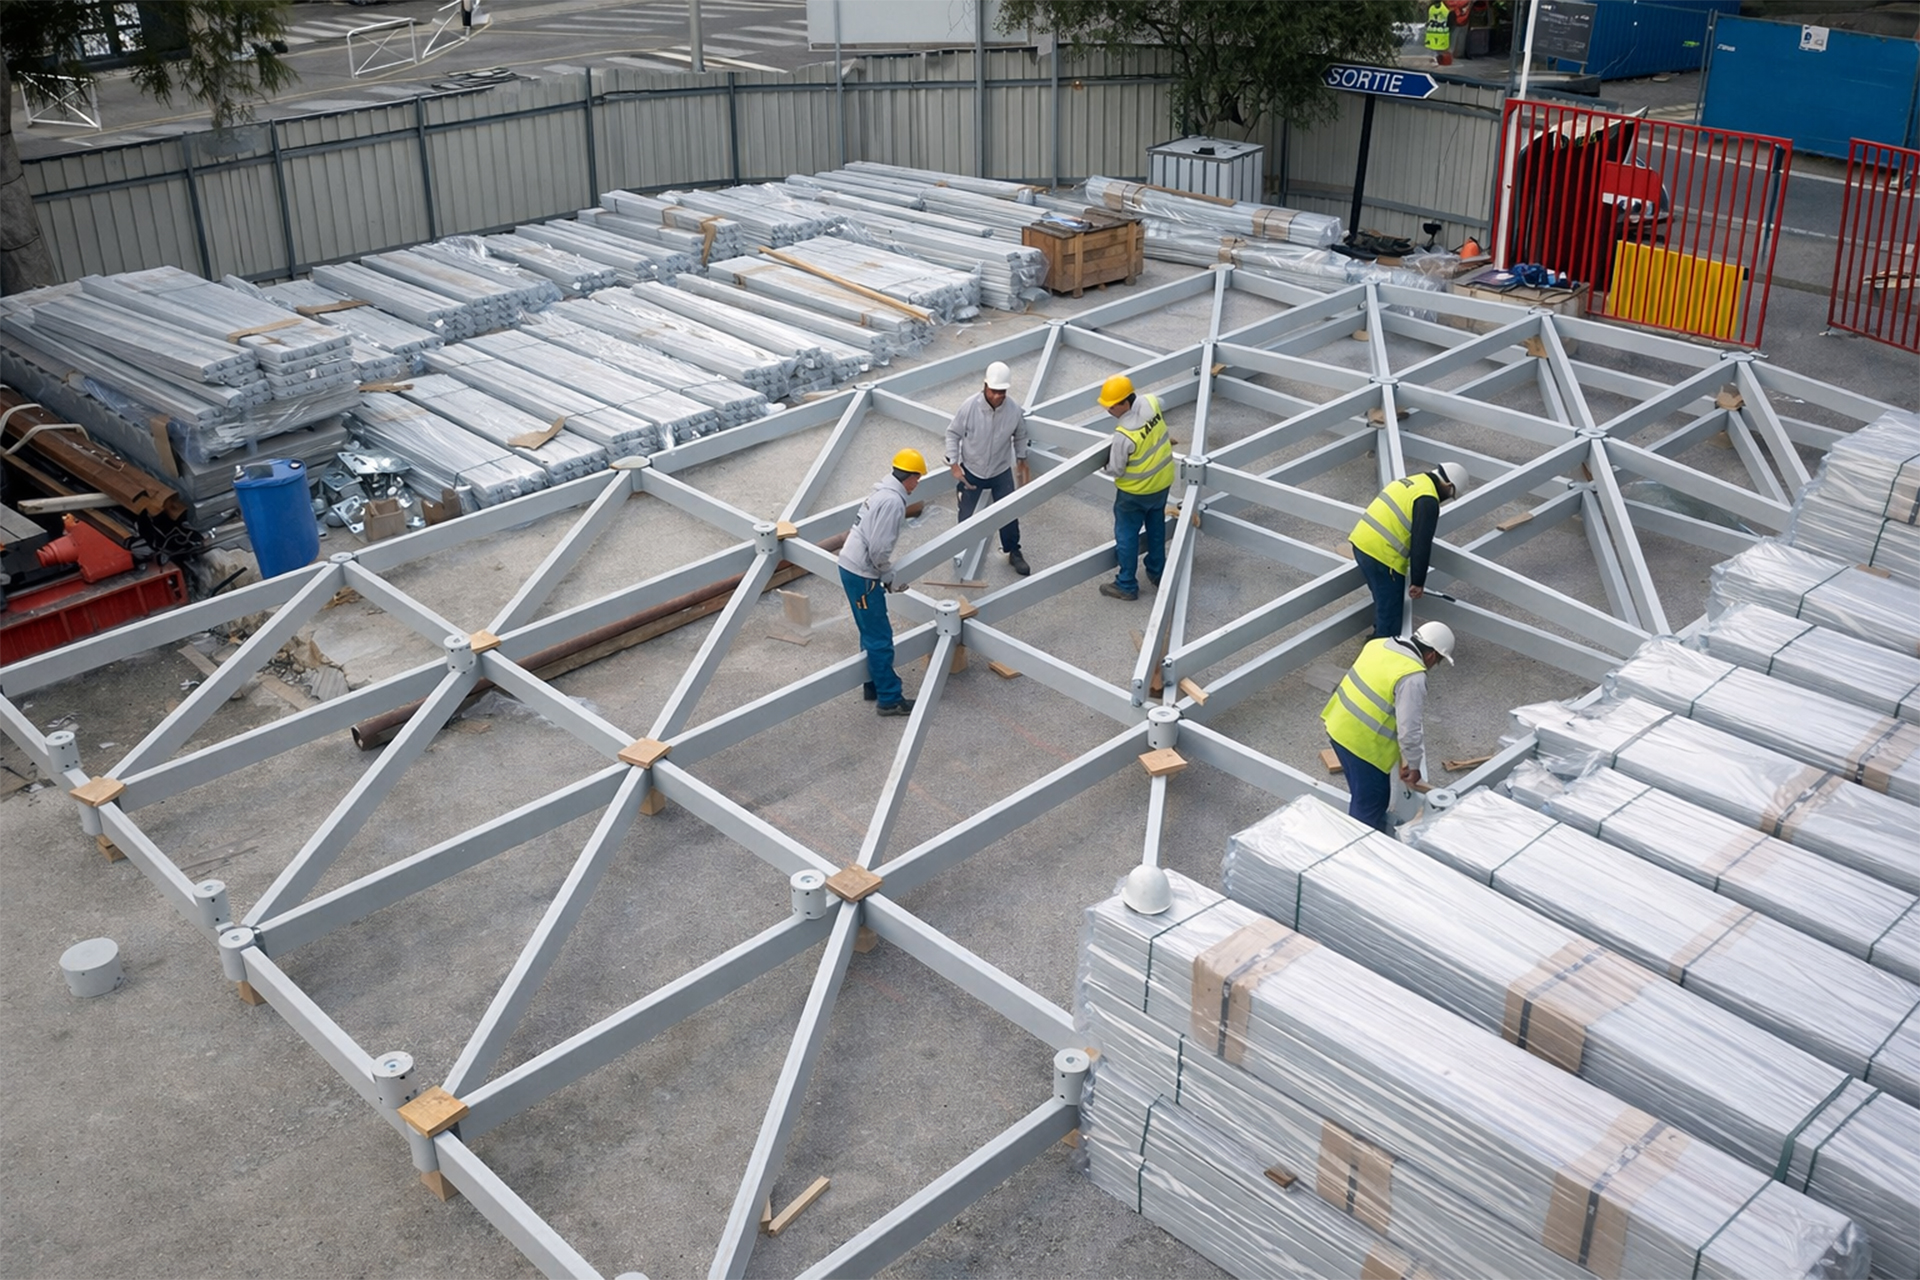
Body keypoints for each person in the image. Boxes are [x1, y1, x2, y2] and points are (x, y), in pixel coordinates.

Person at [1322, 621, 1456, 832]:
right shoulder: (1412, 676)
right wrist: (1413, 765)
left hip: (1337, 725)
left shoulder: (1379, 644)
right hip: (1363, 747)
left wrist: (1403, 759)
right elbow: (1409, 729)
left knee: (1360, 792)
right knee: (1371, 805)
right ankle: (1358, 844)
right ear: (1432, 655)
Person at [838, 447, 927, 718]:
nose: (917, 483)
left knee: (868, 631)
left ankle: (872, 685)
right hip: (862, 574)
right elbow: (878, 550)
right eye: (917, 478)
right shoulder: (892, 502)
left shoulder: (881, 492)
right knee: (879, 637)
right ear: (909, 476)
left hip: (851, 566)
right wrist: (887, 576)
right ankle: (889, 698)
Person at [1348, 462, 1468, 640]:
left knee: (1383, 603)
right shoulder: (1428, 500)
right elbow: (1421, 543)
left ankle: (1377, 636)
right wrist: (1418, 582)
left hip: (1362, 542)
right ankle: (1380, 647)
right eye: (1451, 495)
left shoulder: (1413, 481)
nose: (1446, 499)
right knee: (1391, 617)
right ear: (1449, 485)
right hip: (1383, 556)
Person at [944, 360, 1032, 576]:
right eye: (994, 391)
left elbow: (1020, 435)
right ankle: (963, 550)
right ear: (985, 386)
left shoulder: (1013, 410)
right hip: (972, 471)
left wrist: (1021, 460)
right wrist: (954, 464)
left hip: (1000, 471)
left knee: (1008, 513)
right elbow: (952, 434)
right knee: (966, 515)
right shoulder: (969, 407)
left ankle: (1013, 551)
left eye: (1002, 391)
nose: (998, 396)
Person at [1096, 374, 1174, 601]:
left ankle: (1126, 584)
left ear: (1124, 403)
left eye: (1112, 406)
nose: (1109, 410)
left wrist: (1104, 465)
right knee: (1156, 529)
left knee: (1127, 537)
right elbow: (1162, 403)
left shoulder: (1124, 435)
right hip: (1161, 484)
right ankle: (1158, 572)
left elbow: (1116, 469)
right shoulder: (1150, 402)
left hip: (1134, 493)